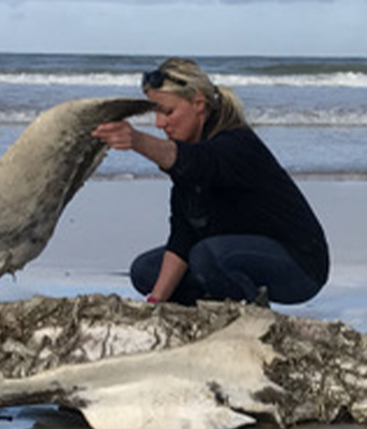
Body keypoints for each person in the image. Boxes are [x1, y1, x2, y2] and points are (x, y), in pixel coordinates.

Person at [91, 58, 329, 306]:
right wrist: (155, 301)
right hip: (229, 255)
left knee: (206, 256)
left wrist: (137, 140)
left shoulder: (236, 144)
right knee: (146, 271)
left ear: (198, 103)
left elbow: (199, 163)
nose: (160, 123)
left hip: (300, 267)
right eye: (156, 113)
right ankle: (210, 311)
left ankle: (253, 317)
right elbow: (183, 238)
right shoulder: (188, 159)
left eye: (168, 111)